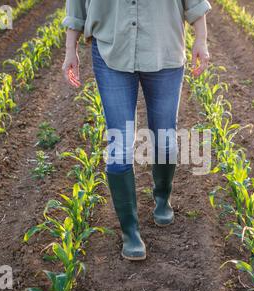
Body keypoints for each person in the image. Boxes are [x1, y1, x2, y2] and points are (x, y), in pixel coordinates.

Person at [62, 0, 211, 261]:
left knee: (165, 138)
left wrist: (201, 39)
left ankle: (162, 198)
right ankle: (130, 231)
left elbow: (195, 3)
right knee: (119, 145)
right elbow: (76, 5)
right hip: (111, 50)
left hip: (164, 49)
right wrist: (70, 50)